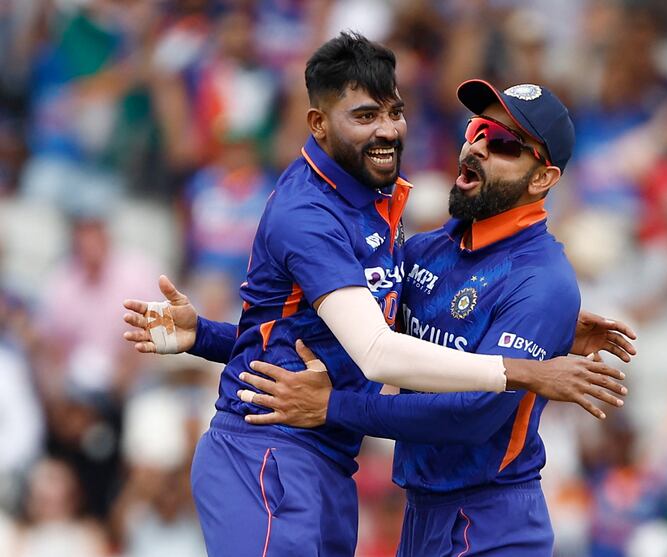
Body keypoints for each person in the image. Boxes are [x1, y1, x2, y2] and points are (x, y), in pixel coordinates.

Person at [123, 33, 632, 556]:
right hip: (407, 508)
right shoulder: (425, 249)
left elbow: (474, 414)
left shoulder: (543, 282)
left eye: (502, 144)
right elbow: (337, 342)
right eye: (477, 130)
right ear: (319, 123)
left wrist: (331, 408)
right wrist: (206, 336)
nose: (477, 146)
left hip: (492, 520)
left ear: (544, 178)